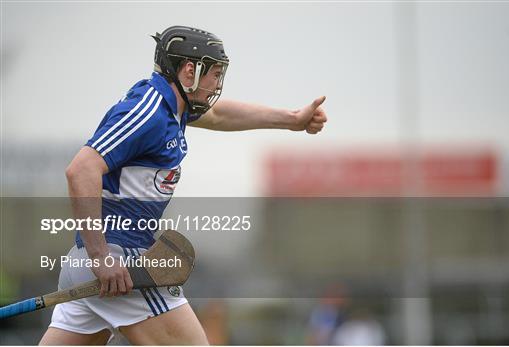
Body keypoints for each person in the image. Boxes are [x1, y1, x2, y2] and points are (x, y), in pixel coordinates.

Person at [39, 25, 327, 345]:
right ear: (189, 70)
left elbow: (220, 116)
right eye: (214, 74)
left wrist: (292, 119)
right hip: (122, 264)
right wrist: (101, 256)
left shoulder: (171, 109)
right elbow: (81, 170)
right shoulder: (147, 111)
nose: (217, 84)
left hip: (98, 265)